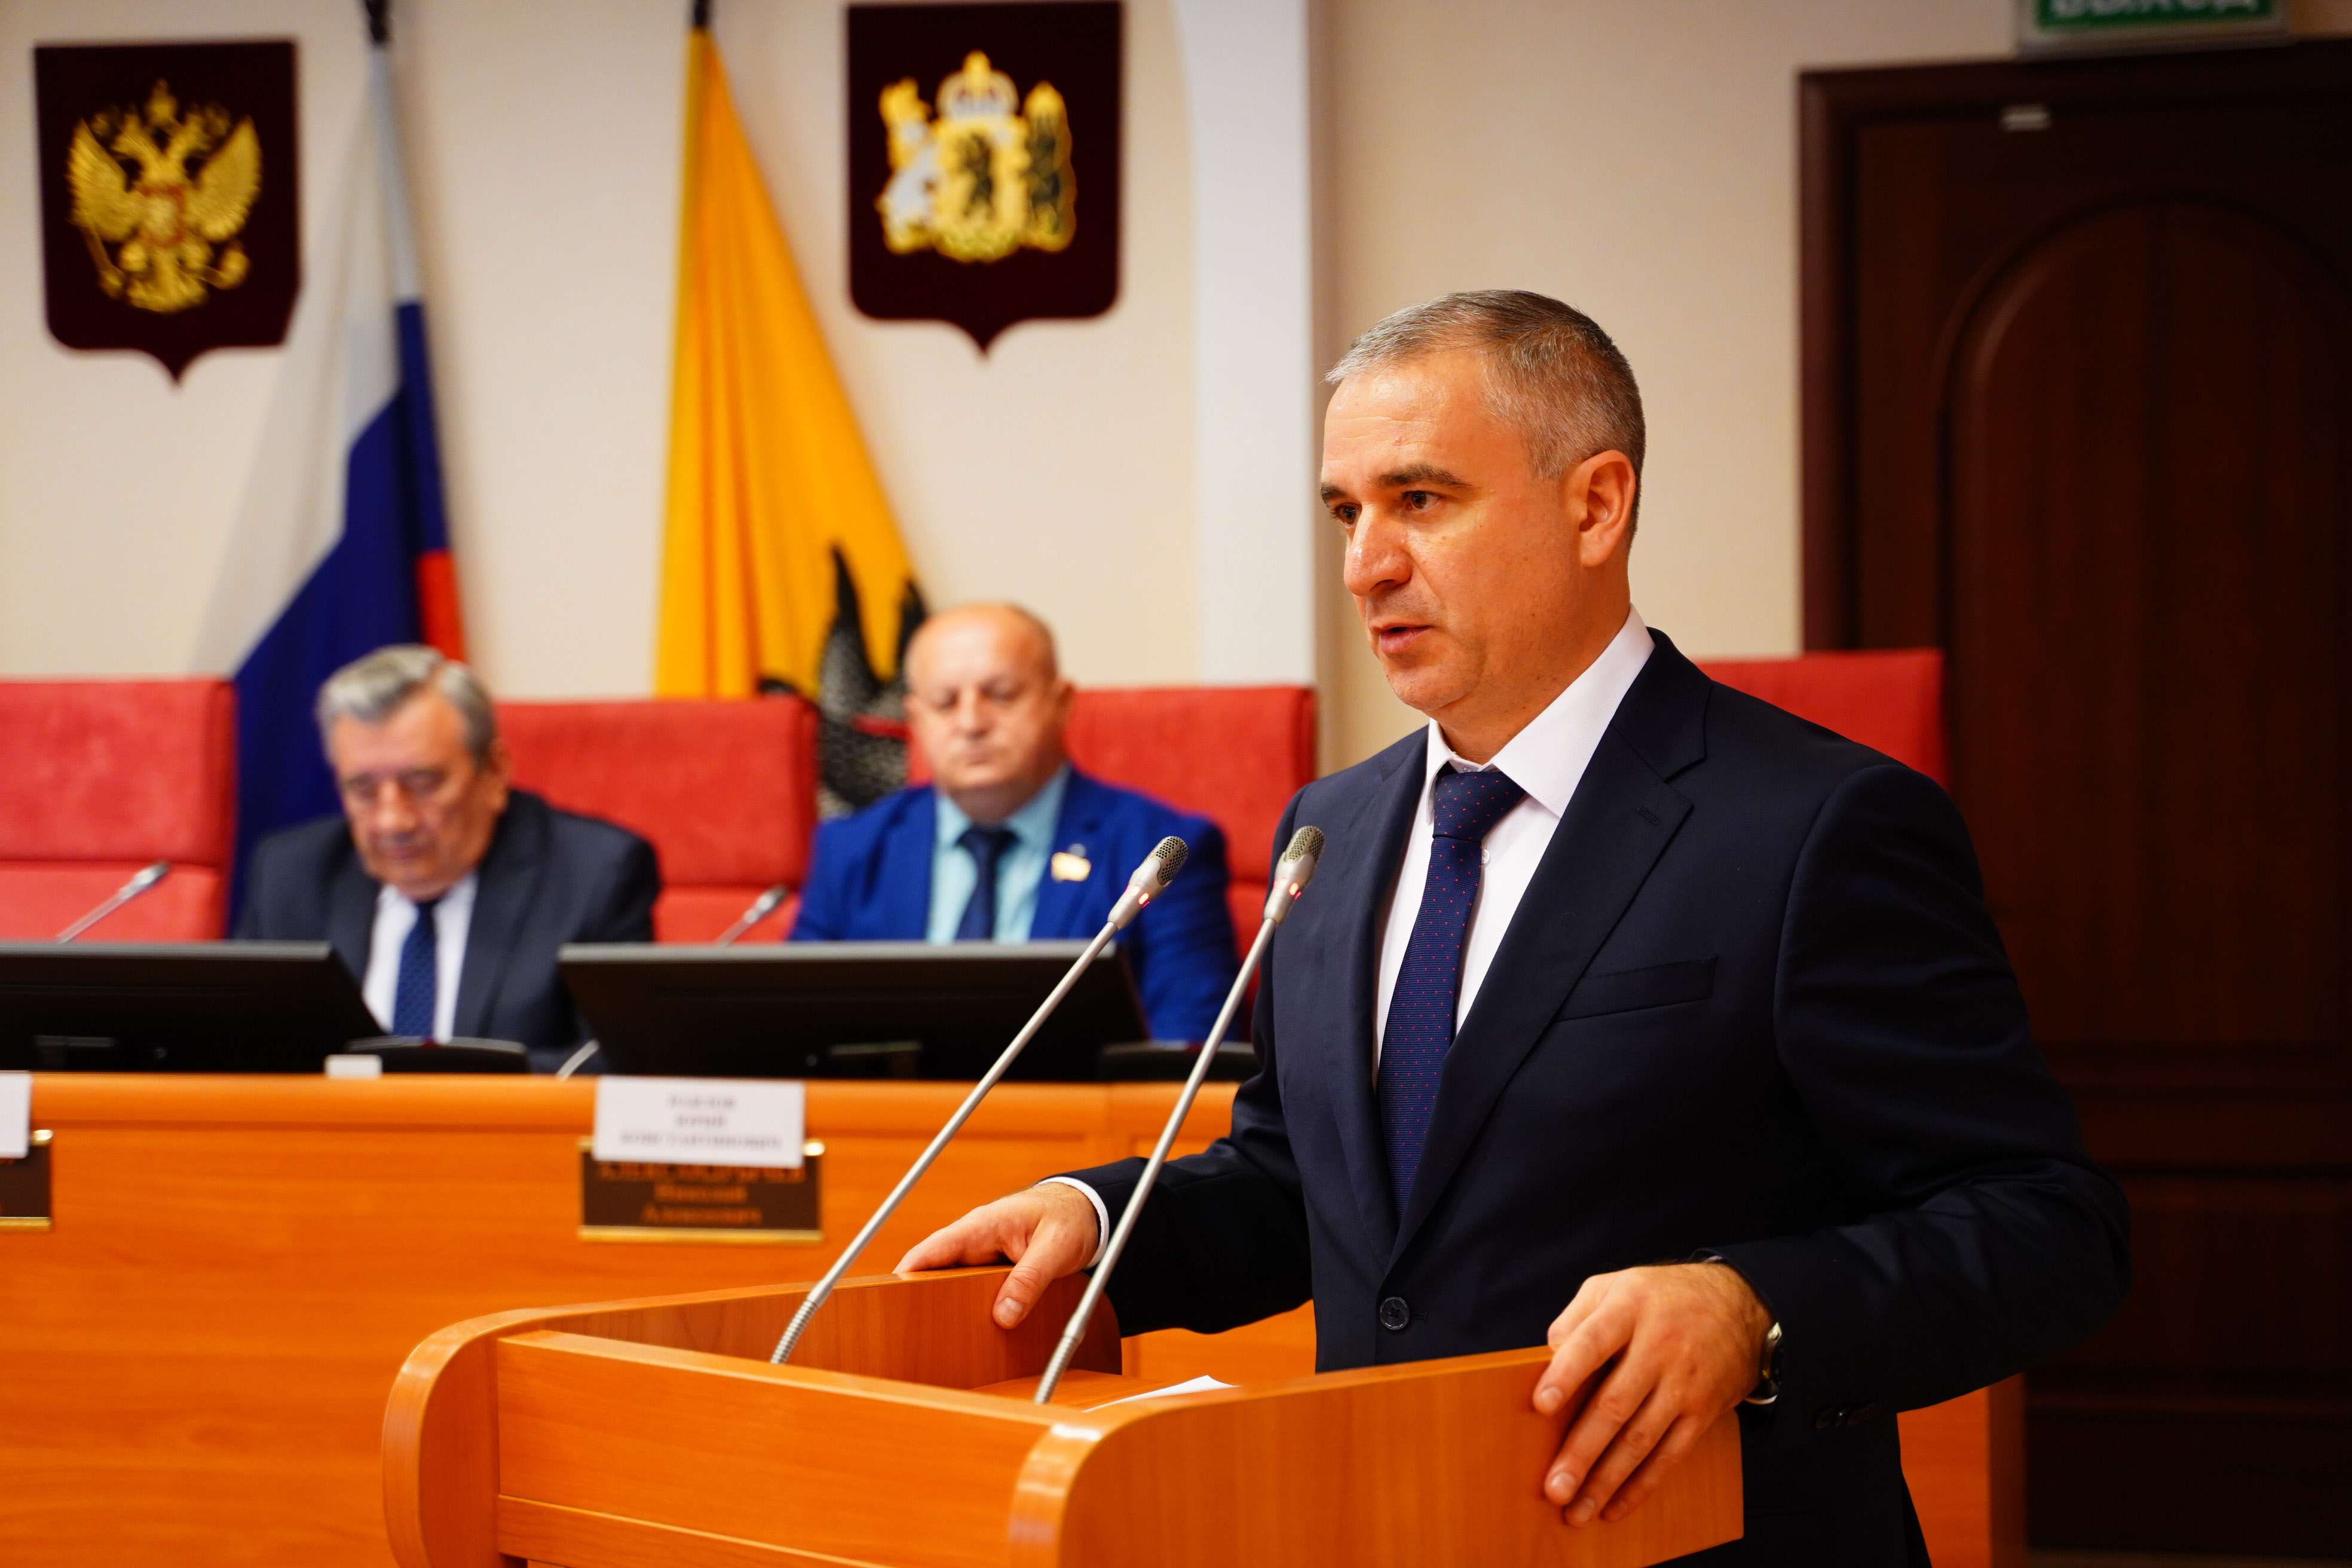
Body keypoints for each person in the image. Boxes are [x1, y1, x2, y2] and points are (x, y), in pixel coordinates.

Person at [898, 292, 2130, 1563]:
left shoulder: (1820, 821)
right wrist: (1099, 1221)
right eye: (1346, 511)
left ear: (1596, 505)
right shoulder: (1332, 826)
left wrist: (1755, 1307)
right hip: (1386, 1527)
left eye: (1420, 500)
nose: (1366, 565)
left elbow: (2047, 1221)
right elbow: (1303, 1185)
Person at [791, 603, 1239, 1043]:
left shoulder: (1158, 854)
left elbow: (1192, 1045)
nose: (971, 723)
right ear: (916, 721)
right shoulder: (850, 849)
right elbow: (794, 1028)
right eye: (945, 703)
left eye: (1001, 695)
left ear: (1061, 702)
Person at [237, 645, 658, 1070]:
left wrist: (435, 1089)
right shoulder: (290, 874)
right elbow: (240, 1047)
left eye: (423, 784)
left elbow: (615, 1065)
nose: (393, 821)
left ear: (494, 771)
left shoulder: (595, 875)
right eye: (363, 791)